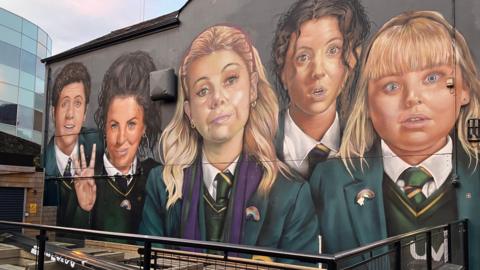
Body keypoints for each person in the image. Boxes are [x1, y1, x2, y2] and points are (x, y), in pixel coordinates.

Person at [310, 11, 480, 269]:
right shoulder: (330, 181)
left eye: (431, 78)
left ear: (464, 88)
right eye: (391, 86)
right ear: (367, 103)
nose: (412, 98)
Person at [140, 25, 318, 261]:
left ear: (253, 88)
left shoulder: (291, 195)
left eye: (231, 79)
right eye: (203, 90)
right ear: (189, 112)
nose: (217, 98)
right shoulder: (162, 185)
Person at [271, 0, 370, 178]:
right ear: (282, 72)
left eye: (333, 50)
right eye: (303, 57)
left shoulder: (369, 149)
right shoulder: (257, 146)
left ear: (352, 60)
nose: (318, 71)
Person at [75, 51, 160, 236]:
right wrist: (83, 209)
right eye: (114, 125)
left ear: (144, 127)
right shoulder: (87, 177)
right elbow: (69, 245)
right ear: (104, 127)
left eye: (131, 124)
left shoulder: (156, 176)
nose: (121, 139)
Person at [44, 62, 103, 230]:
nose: (70, 114)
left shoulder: (101, 145)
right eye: (64, 103)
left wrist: (85, 208)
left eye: (77, 104)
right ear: (52, 112)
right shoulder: (42, 165)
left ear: (85, 114)